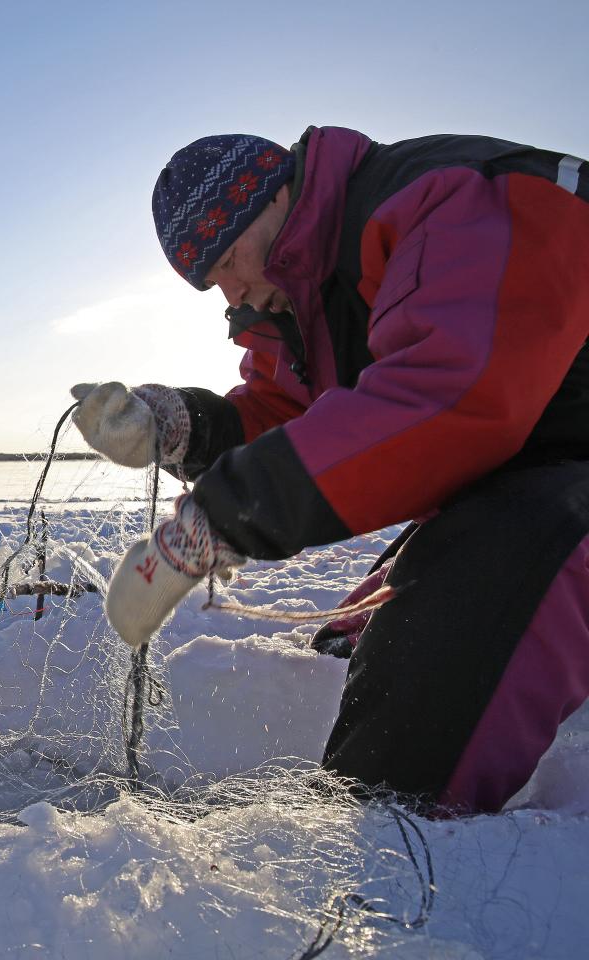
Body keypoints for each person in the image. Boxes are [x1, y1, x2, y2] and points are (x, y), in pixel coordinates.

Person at [74, 127, 589, 813]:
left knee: (434, 673)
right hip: (537, 464)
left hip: (559, 480)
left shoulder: (454, 198)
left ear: (277, 195)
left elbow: (446, 399)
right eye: (213, 282)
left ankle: (394, 869)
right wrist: (179, 426)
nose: (232, 293)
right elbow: (286, 410)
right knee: (383, 619)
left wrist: (215, 525)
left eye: (230, 259)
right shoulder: (303, 291)